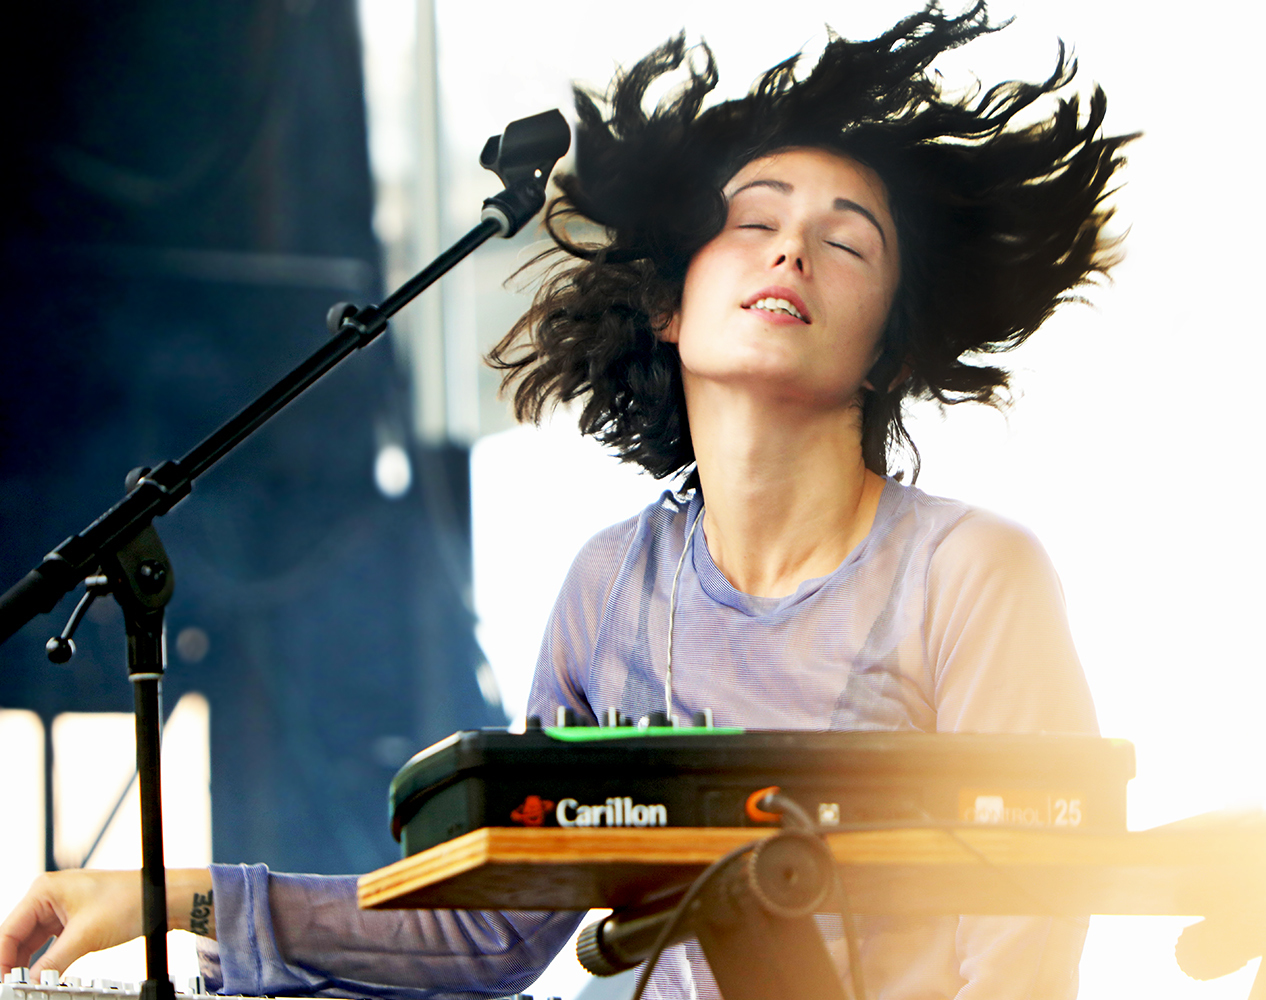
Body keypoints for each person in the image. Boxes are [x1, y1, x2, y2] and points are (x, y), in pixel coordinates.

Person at [0, 3, 1132, 998]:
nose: (792, 249)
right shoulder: (613, 588)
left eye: (846, 242)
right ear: (672, 309)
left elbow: (1027, 942)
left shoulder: (972, 575)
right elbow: (491, 926)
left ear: (887, 349)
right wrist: (172, 900)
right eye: (755, 221)